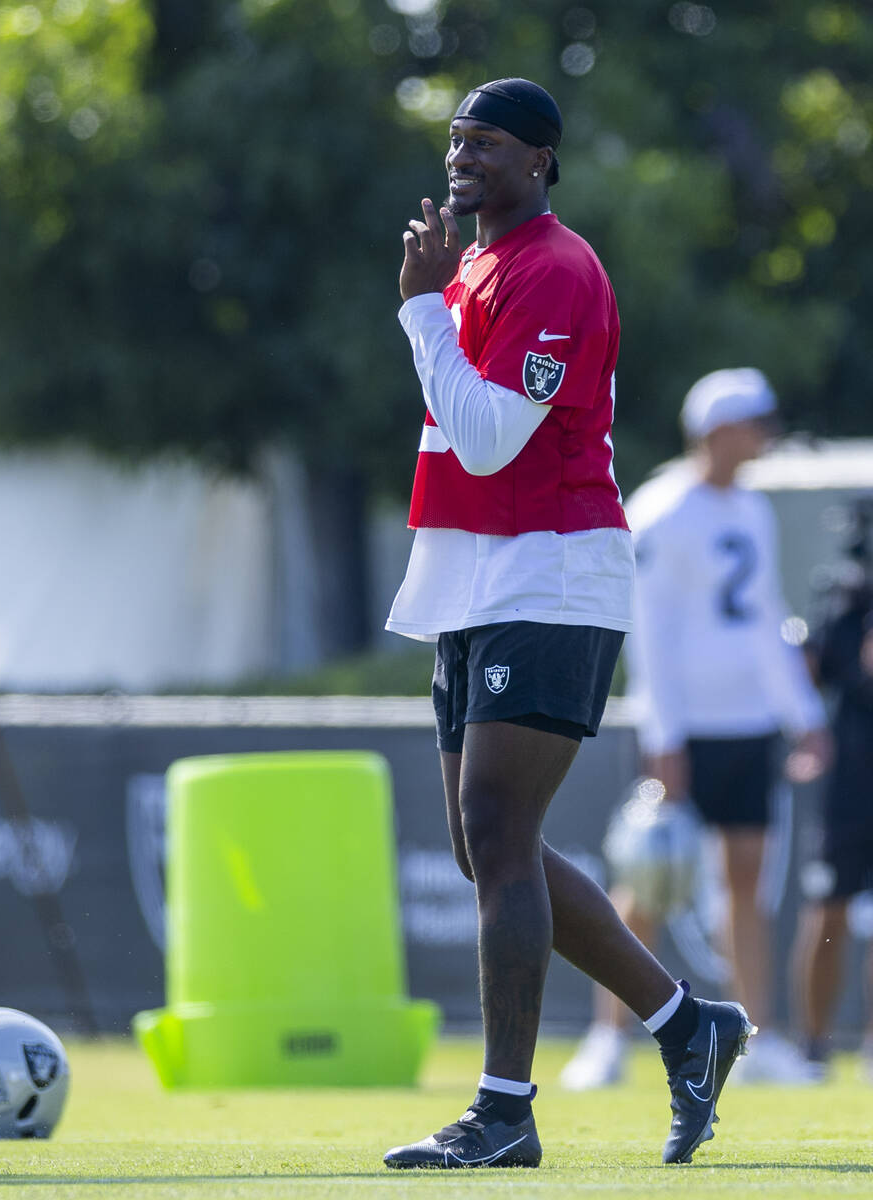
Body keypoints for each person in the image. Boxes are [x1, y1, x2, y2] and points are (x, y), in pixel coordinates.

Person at [381, 76, 754, 1171]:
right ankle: (689, 1026)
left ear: (541, 160)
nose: (463, 159)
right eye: (455, 142)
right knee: (486, 845)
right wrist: (430, 303)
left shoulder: (556, 267)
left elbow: (492, 436)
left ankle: (504, 1112)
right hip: (477, 576)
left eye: (487, 144)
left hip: (551, 570)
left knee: (498, 836)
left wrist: (415, 309)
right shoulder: (475, 269)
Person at [560, 368, 831, 1093]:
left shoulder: (750, 511)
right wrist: (665, 735)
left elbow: (762, 618)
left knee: (746, 880)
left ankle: (757, 1036)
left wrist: (802, 717)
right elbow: (647, 632)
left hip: (747, 725)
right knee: (648, 883)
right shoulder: (661, 510)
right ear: (717, 430)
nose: (764, 438)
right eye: (754, 423)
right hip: (683, 731)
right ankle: (606, 1037)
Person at [791, 502, 873, 1078]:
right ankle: (814, 1045)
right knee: (829, 907)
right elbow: (813, 668)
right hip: (851, 777)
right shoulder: (847, 596)